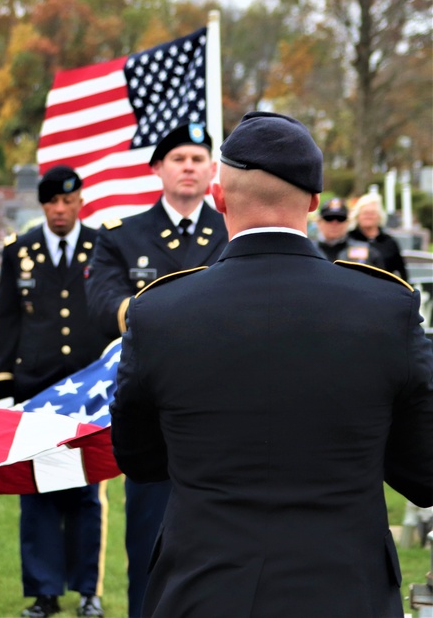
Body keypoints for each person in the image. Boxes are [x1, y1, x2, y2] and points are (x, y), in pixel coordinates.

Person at [110, 111, 433, 617]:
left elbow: (140, 458)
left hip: (204, 589)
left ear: (218, 198)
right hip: (345, 591)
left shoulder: (160, 312)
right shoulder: (385, 309)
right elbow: (424, 471)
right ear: (314, 201)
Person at [84, 122, 227, 617]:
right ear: (157, 169)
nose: (189, 166)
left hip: (224, 409)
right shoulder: (122, 237)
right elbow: (103, 303)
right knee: (150, 546)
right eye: (178, 159)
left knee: (222, 554)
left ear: (213, 170)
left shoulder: (233, 234)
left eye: (197, 158)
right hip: (152, 412)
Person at [0, 166, 106, 618]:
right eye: (51, 203)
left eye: (68, 201)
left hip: (89, 389)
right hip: (35, 390)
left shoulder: (102, 247)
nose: (60, 210)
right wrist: (4, 389)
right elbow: (8, 324)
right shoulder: (20, 251)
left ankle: (87, 590)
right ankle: (43, 591)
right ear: (42, 205)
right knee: (35, 490)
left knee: (84, 491)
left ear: (80, 201)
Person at [349, 192, 408, 280]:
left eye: (372, 213)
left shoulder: (389, 242)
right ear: (357, 216)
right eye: (365, 213)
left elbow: (401, 272)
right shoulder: (349, 239)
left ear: (379, 216)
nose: (368, 216)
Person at [313, 197, 385, 268]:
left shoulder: (367, 252)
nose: (334, 224)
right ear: (319, 222)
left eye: (340, 219)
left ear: (348, 222)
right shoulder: (308, 250)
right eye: (329, 219)